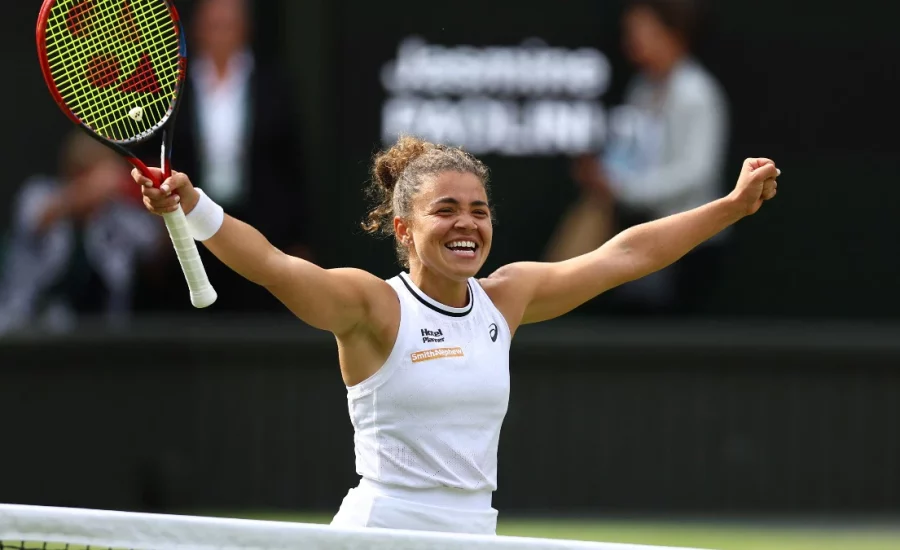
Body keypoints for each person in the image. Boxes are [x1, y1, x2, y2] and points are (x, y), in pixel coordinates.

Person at [133, 135, 779, 534]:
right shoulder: (372, 307)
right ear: (403, 230)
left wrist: (727, 207)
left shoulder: (506, 299)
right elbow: (274, 264)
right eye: (445, 210)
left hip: (473, 530)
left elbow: (625, 256)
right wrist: (195, 207)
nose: (465, 223)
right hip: (382, 532)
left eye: (478, 209)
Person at [545, 0, 729, 315]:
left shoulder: (695, 93)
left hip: (693, 243)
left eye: (640, 31)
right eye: (629, 32)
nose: (631, 40)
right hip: (648, 235)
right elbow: (630, 154)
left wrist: (624, 188)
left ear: (673, 34)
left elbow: (696, 174)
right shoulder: (643, 88)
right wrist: (604, 176)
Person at [0, 131, 161, 335]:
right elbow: (39, 219)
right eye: (81, 171)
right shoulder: (37, 193)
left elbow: (157, 246)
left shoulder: (118, 213)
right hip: (26, 332)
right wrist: (94, 187)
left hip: (103, 339)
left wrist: (155, 195)